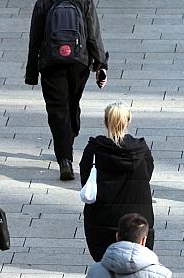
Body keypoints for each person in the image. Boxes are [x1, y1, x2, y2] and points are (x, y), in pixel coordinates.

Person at [25, 0, 109, 181]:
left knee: (57, 109)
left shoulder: (44, 2)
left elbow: (35, 37)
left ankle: (65, 158)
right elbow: (93, 34)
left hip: (51, 62)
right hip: (79, 61)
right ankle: (70, 134)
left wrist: (32, 72)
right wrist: (101, 65)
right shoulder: (84, 1)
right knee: (72, 102)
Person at [81, 103, 155, 262]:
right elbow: (147, 174)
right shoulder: (141, 150)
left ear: (106, 121)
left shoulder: (94, 150)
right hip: (137, 224)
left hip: (102, 222)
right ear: (128, 121)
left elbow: (85, 180)